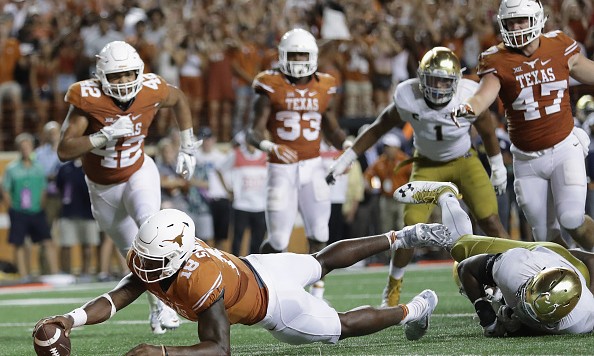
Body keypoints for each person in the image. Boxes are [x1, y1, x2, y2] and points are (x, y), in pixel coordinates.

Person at [34, 208, 443, 355]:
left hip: (275, 302)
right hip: (257, 266)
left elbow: (219, 349)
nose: (142, 266)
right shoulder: (157, 256)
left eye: (153, 260)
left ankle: (414, 309)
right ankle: (397, 237)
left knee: (342, 325)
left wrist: (160, 352)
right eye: (143, 256)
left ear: (175, 256)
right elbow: (122, 293)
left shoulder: (200, 281)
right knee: (319, 262)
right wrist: (72, 319)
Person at [327, 47, 510, 307]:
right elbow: (379, 127)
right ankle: (394, 283)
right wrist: (346, 158)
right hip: (426, 164)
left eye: (444, 80)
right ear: (421, 78)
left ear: (456, 81)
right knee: (411, 228)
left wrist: (497, 166)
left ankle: (509, 278)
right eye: (432, 79)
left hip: (464, 161)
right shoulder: (408, 95)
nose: (437, 87)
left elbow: (488, 131)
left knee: (490, 219)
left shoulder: (468, 95)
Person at [56, 40, 200, 334]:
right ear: (101, 77)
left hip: (138, 170)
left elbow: (180, 99)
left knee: (152, 229)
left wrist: (187, 146)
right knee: (134, 256)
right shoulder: (88, 98)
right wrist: (103, 136)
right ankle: (156, 303)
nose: (123, 82)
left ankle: (170, 304)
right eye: (115, 76)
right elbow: (64, 149)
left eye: (128, 74)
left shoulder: (151, 89)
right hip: (103, 187)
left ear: (140, 72)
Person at [450, 0, 594, 251]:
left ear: (537, 19)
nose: (516, 27)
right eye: (510, 22)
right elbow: (485, 94)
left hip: (563, 148)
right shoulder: (496, 59)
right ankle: (576, 278)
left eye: (521, 20)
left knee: (572, 218)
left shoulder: (558, 45)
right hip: (527, 159)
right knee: (545, 236)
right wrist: (469, 107)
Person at [391, 180, 594, 336]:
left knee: (504, 302)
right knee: (461, 249)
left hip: (568, 276)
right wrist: (489, 320)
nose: (523, 303)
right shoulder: (514, 270)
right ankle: (445, 194)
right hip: (542, 256)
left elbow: (537, 328)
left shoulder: (579, 321)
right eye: (526, 298)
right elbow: (466, 269)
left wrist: (516, 328)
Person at [246, 28, 349, 299]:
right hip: (281, 168)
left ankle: (317, 292)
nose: (299, 61)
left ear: (314, 56)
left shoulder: (324, 85)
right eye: (294, 55)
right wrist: (270, 146)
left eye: (304, 55)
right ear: (282, 56)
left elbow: (333, 128)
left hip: (313, 165)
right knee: (279, 239)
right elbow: (253, 132)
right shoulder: (270, 84)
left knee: (319, 231)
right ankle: (257, 283)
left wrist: (347, 146)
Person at [2, 133, 59, 282]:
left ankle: (55, 273)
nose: (25, 149)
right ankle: (24, 274)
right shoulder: (11, 168)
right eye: (22, 146)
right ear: (18, 149)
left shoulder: (39, 168)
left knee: (47, 240)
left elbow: (44, 188)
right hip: (18, 211)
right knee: (19, 243)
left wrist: (41, 204)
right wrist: (11, 207)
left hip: (36, 210)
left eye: (27, 146)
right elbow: (5, 189)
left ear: (32, 148)